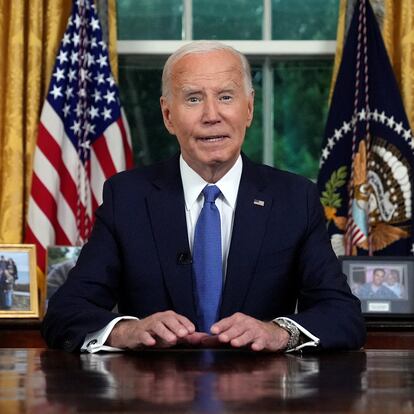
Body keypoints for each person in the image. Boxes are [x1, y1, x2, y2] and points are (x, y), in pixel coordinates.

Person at [41, 41, 365, 353]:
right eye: (194, 99)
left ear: (248, 109)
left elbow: (342, 314)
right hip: (155, 396)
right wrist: (128, 331)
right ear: (168, 115)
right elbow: (66, 311)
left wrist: (279, 332)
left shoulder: (295, 199)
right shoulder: (126, 198)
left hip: (259, 397)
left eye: (226, 96)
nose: (212, 115)